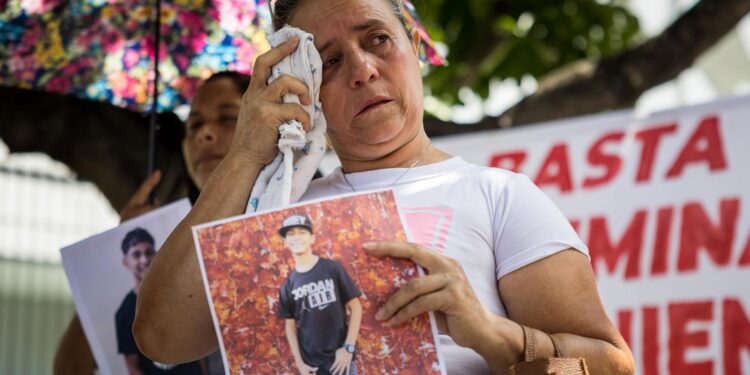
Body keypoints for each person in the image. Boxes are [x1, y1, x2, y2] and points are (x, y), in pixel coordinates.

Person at [134, 1, 636, 374]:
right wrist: (245, 151)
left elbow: (613, 364)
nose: (362, 69)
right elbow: (161, 339)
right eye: (328, 61)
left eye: (376, 39)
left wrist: (490, 331)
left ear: (413, 47)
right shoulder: (276, 212)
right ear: (302, 86)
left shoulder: (497, 194)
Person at [52, 71, 251, 375]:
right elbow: (71, 369)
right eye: (193, 124)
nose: (204, 133)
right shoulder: (166, 247)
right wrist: (118, 242)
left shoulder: (299, 223)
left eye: (227, 118)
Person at [277, 215, 362, 375]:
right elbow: (290, 328)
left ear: (312, 238)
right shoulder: (287, 286)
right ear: (285, 242)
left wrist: (348, 348)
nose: (296, 237)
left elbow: (356, 307)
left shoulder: (332, 269)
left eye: (302, 232)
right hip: (312, 367)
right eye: (290, 234)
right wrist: (300, 364)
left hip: (340, 361)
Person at [116, 228, 203, 374]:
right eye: (136, 255)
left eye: (149, 252)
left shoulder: (179, 293)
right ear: (126, 262)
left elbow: (197, 347)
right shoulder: (124, 313)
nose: (144, 260)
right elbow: (132, 367)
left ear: (156, 254)